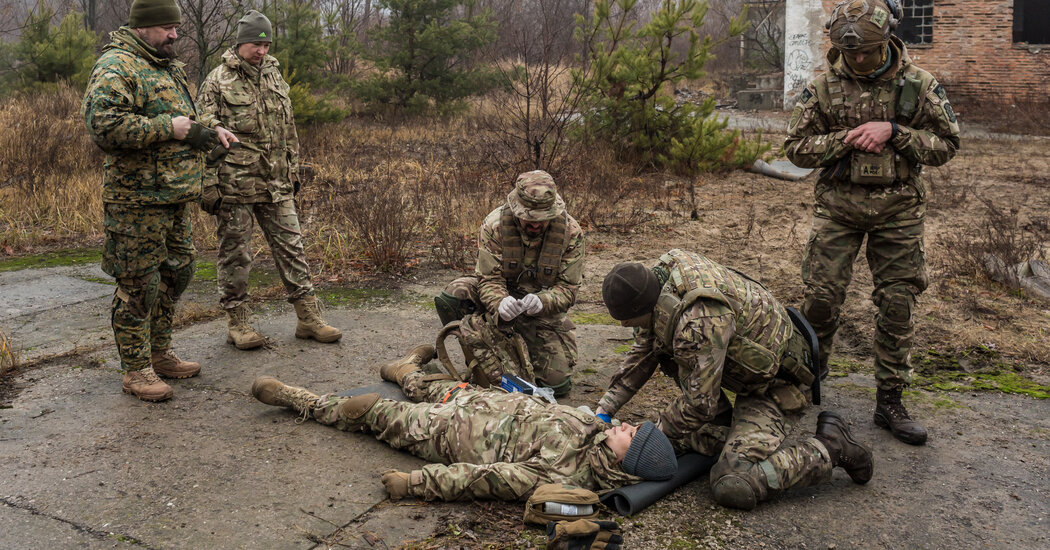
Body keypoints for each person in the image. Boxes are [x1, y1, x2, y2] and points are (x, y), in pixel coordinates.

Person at [784, 0, 960, 445]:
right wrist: (842, 140)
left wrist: (894, 132)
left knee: (898, 303)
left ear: (887, 42)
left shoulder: (919, 86)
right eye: (851, 54)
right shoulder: (823, 89)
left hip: (898, 210)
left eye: (866, 52)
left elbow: (947, 145)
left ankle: (890, 400)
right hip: (838, 209)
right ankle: (808, 380)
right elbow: (796, 148)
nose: (857, 60)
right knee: (821, 300)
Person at [595, 250, 874, 510]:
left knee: (733, 482)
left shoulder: (697, 320)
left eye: (629, 321)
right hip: (743, 372)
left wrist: (648, 437)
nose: (624, 327)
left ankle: (831, 446)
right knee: (694, 427)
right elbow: (644, 351)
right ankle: (724, 427)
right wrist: (604, 410)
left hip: (778, 387)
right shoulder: (662, 281)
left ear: (643, 305)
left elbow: (698, 406)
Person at [250, 345, 678, 501]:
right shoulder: (594, 429)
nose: (627, 426)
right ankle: (407, 371)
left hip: (443, 432)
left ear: (626, 465)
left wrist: (416, 483)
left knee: (368, 409)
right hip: (480, 401)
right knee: (434, 384)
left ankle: (298, 399)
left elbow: (484, 479)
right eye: (634, 426)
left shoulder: (566, 474)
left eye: (633, 437)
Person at [82, 0, 237, 402]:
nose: (174, 35)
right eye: (167, 27)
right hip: (135, 201)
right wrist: (168, 126)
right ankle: (135, 370)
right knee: (138, 284)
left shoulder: (166, 65)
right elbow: (105, 126)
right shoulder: (117, 66)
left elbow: (186, 121)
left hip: (173, 196)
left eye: (176, 27)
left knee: (178, 272)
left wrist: (210, 131)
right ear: (143, 27)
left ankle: (159, 352)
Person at [197, 10, 340, 350]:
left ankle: (308, 317)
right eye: (254, 44)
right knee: (236, 255)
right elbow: (203, 133)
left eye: (266, 44)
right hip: (236, 185)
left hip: (276, 184)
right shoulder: (218, 80)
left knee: (293, 249)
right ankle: (238, 323)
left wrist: (292, 170)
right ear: (240, 43)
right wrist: (208, 184)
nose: (261, 51)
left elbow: (288, 128)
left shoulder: (275, 76)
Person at [434, 170, 584, 396]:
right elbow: (488, 279)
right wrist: (500, 302)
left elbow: (568, 289)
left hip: (541, 312)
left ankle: (520, 349)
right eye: (529, 217)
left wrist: (542, 301)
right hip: (502, 300)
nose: (535, 224)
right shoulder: (494, 225)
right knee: (456, 293)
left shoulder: (570, 233)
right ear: (516, 209)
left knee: (557, 385)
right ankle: (478, 353)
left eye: (542, 218)